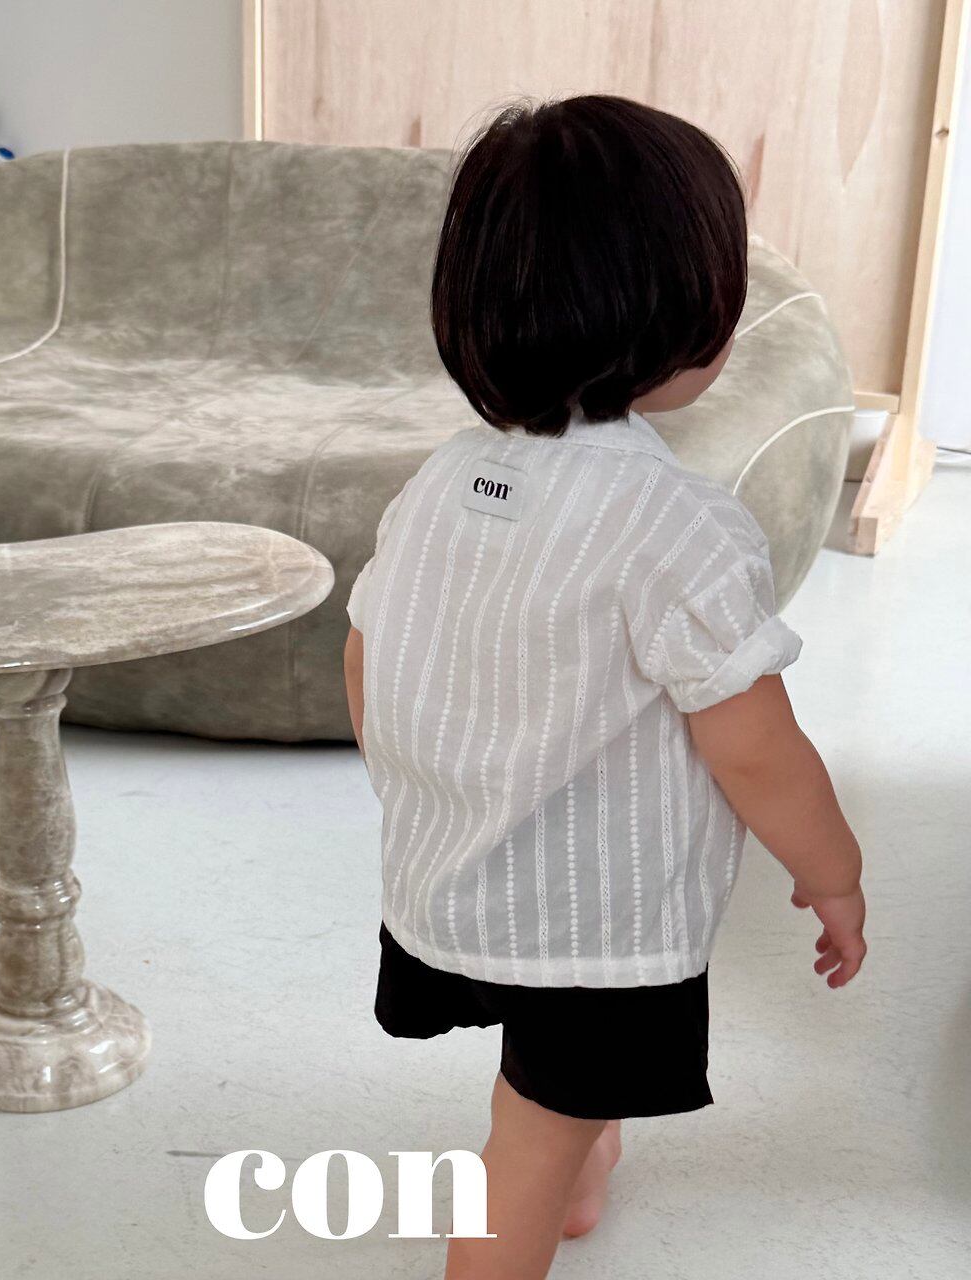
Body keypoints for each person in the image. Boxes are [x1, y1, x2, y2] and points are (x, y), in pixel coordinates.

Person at [341, 93, 866, 1280]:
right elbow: (753, 746)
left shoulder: (440, 480)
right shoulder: (677, 527)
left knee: (551, 1085)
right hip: (597, 923)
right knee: (522, 1140)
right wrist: (829, 869)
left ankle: (586, 1169)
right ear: (691, 317)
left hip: (460, 875)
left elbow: (366, 648)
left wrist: (416, 785)